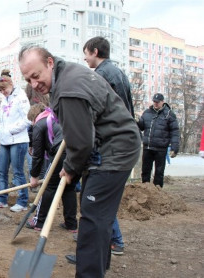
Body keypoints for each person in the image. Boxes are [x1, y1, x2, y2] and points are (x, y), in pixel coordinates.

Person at [19, 45, 141, 277]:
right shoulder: (66, 76)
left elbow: (82, 142)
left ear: (50, 63)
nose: (34, 84)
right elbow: (80, 130)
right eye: (28, 79)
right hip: (113, 144)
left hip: (114, 150)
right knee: (99, 216)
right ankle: (98, 264)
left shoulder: (68, 89)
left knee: (92, 219)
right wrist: (72, 164)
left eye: (36, 76)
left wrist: (71, 167)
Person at [83, 36, 134, 255]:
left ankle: (108, 244)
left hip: (110, 146)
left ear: (94, 51)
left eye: (86, 53)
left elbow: (99, 113)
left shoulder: (102, 75)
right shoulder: (118, 71)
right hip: (121, 143)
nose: (85, 59)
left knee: (97, 200)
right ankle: (108, 243)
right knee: (103, 200)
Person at [25, 103, 77, 232]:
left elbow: (37, 155)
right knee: (69, 187)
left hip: (62, 152)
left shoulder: (39, 123)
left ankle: (39, 221)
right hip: (76, 152)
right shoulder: (55, 118)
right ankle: (71, 224)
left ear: (33, 118)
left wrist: (34, 176)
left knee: (48, 186)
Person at [0, 69, 31, 212]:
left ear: (11, 84)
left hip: (18, 140)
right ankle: (2, 199)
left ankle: (23, 201)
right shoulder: (3, 99)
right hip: (5, 140)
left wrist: (11, 130)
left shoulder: (21, 97)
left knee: (18, 171)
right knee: (2, 171)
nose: (3, 92)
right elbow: (2, 119)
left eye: (4, 89)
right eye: (0, 90)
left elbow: (29, 118)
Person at [138, 93, 180, 188]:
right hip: (147, 147)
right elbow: (141, 127)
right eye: (154, 102)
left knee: (159, 172)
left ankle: (158, 192)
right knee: (145, 170)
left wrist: (174, 148)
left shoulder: (169, 114)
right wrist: (137, 121)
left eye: (158, 102)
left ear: (162, 102)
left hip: (161, 148)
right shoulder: (147, 113)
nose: (155, 104)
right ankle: (145, 188)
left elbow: (175, 132)